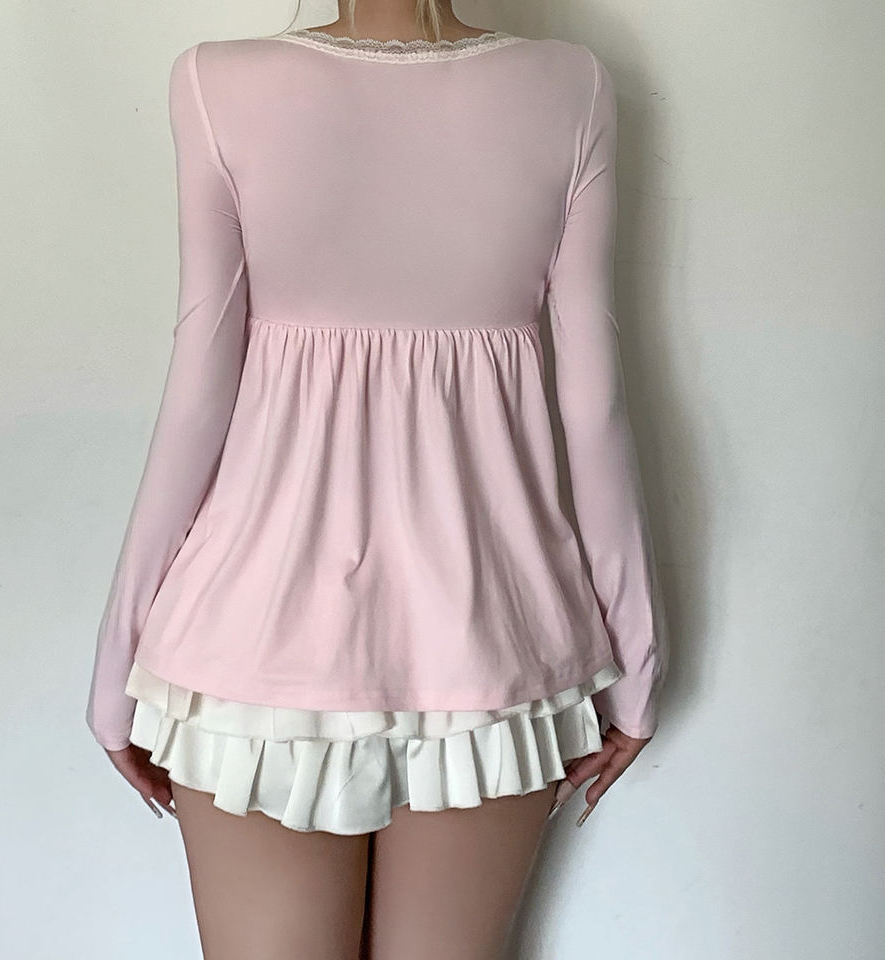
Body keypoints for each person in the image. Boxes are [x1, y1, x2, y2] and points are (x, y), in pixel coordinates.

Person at [85, 1, 670, 956]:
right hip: (490, 641)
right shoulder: (572, 86)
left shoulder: (216, 81)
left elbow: (199, 390)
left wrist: (116, 667)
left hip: (253, 645)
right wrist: (637, 666)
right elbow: (595, 407)